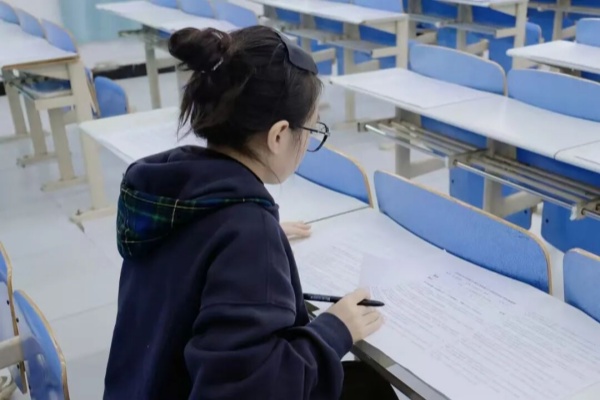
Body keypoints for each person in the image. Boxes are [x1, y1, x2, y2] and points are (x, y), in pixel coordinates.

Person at [103, 25, 397, 400]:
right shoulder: (246, 232)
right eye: (310, 129)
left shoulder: (172, 191)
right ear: (279, 135)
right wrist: (335, 328)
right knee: (372, 391)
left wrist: (254, 233)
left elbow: (193, 259)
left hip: (144, 387)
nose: (308, 140)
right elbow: (248, 389)